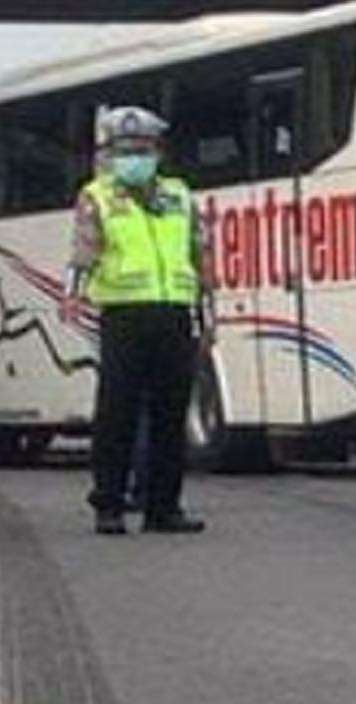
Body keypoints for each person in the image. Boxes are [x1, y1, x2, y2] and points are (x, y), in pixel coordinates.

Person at [63, 106, 208, 536]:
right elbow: (83, 250)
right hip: (124, 316)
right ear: (109, 154)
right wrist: (72, 295)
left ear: (158, 152)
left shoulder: (180, 196)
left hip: (174, 314)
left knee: (170, 414)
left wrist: (208, 316)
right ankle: (109, 505)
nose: (134, 158)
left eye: (142, 150)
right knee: (116, 414)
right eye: (124, 151)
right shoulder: (98, 196)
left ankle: (163, 507)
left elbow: (201, 257)